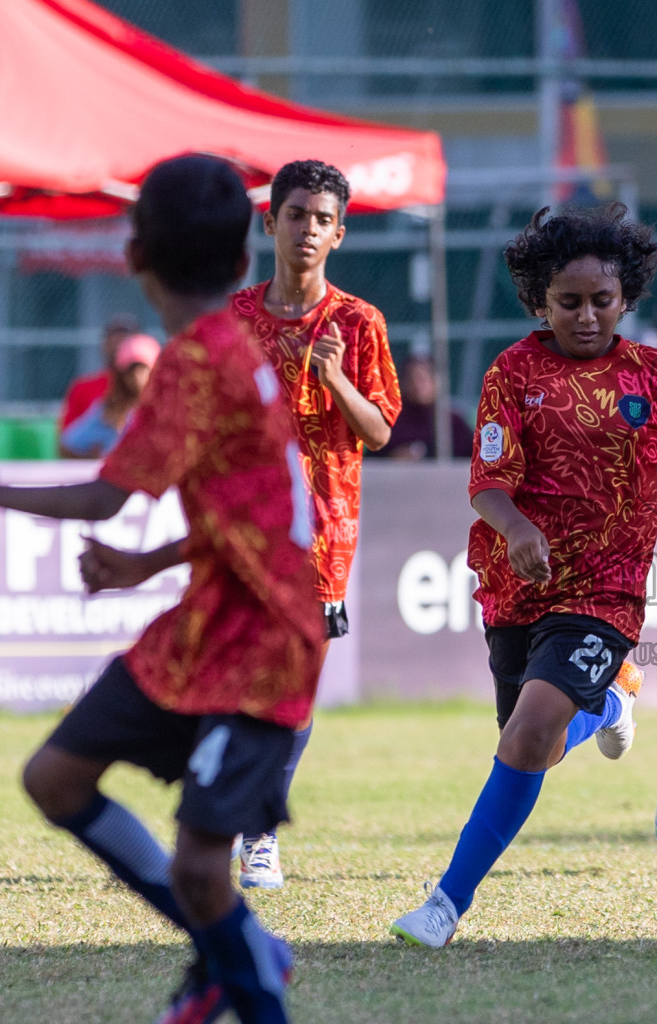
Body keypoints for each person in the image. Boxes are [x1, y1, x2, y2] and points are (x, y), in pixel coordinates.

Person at [0, 155, 319, 1024]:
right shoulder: (226, 349)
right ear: (239, 262)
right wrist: (147, 567)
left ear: (133, 252)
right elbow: (246, 513)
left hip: (264, 642)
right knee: (56, 778)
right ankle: (241, 947)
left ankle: (246, 976)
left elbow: (106, 494)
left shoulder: (195, 364)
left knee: (200, 866)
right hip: (207, 620)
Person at [389, 203, 657, 949]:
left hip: (605, 593)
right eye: (569, 301)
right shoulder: (512, 372)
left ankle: (445, 905)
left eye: (601, 301)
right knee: (534, 747)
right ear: (539, 301)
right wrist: (514, 529)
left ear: (627, 299)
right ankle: (611, 708)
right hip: (517, 586)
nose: (586, 316)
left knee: (526, 738)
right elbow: (486, 482)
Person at [229, 159, 402, 889]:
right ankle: (243, 820)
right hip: (243, 525)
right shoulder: (233, 320)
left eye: (322, 219)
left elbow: (381, 430)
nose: (308, 229)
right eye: (295, 214)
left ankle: (257, 828)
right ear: (270, 222)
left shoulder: (358, 323)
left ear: (339, 233)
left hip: (325, 532)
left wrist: (332, 378)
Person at [58, 333, 162, 458]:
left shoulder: (168, 408)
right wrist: (91, 458)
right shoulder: (107, 412)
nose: (136, 376)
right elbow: (67, 446)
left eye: (143, 368)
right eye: (130, 369)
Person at [368, 355, 475, 460]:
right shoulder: (390, 422)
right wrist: (392, 458)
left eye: (423, 379)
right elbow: (369, 462)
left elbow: (474, 459)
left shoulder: (452, 423)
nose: (417, 385)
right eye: (411, 379)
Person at [58, 314, 141, 437]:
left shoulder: (154, 391)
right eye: (115, 340)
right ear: (105, 345)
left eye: (126, 342)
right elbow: (67, 443)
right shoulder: (83, 388)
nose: (120, 346)